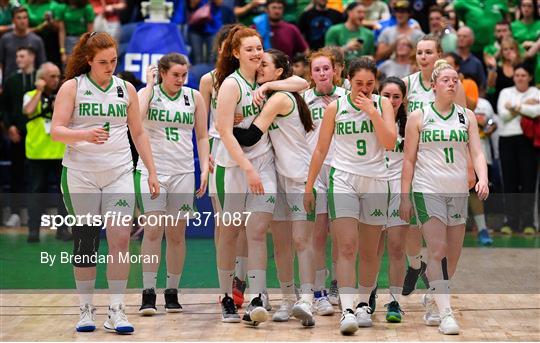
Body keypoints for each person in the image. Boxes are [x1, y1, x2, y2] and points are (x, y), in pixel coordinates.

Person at [50, 31, 159, 334]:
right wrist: (83, 134)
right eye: (103, 62)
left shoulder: (126, 89)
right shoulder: (72, 87)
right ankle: (86, 308)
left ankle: (116, 309)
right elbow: (56, 131)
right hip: (81, 174)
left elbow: (138, 133)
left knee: (120, 240)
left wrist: (150, 170)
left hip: (119, 173)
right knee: (86, 241)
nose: (110, 66)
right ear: (88, 60)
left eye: (113, 60)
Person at [213, 25, 306, 324]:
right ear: (236, 52)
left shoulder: (265, 80)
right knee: (229, 234)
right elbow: (225, 133)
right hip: (233, 167)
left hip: (264, 165)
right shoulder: (230, 84)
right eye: (250, 49)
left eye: (259, 48)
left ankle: (256, 298)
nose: (256, 53)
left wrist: (267, 87)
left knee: (255, 233)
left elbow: (301, 82)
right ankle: (227, 296)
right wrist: (248, 168)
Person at [304, 57, 396, 335]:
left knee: (369, 251)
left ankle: (364, 304)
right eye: (359, 84)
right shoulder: (335, 107)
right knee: (346, 247)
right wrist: (308, 187)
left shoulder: (383, 104)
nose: (365, 89)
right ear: (349, 81)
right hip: (343, 179)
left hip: (376, 182)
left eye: (370, 84)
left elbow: (390, 142)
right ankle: (346, 309)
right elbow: (320, 150)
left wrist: (373, 113)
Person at [400, 59, 489, 335]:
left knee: (453, 254)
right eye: (446, 80)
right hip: (427, 189)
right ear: (434, 85)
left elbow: (476, 152)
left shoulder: (466, 116)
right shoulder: (418, 116)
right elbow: (409, 160)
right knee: (437, 250)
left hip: (457, 191)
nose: (452, 83)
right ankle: (446, 312)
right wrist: (404, 195)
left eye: (455, 79)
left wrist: (483, 177)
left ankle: (433, 297)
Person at [232, 48, 319, 327]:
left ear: (279, 72)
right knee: (281, 245)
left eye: (265, 65)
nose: (259, 67)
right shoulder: (271, 93)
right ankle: (288, 299)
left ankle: (306, 299)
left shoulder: (280, 98)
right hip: (279, 178)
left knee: (300, 242)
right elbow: (300, 82)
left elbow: (249, 136)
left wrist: (221, 125)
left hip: (301, 179)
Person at [137, 53, 209, 315]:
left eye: (184, 75)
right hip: (152, 171)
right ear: (162, 73)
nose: (180, 79)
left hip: (183, 172)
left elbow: (202, 136)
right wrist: (148, 86)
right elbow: (136, 119)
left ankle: (172, 291)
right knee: (153, 232)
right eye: (175, 75)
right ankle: (147, 292)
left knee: (177, 234)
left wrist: (204, 169)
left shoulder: (194, 97)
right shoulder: (148, 94)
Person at [401, 34, 468, 299]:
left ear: (438, 54)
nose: (423, 57)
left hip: (441, 161)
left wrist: (471, 167)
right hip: (409, 158)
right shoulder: (407, 84)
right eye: (419, 52)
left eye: (428, 52)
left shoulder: (451, 84)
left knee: (437, 233)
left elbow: (463, 127)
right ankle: (415, 264)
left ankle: (435, 285)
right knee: (407, 223)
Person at [199, 23, 250, 309]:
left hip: (251, 148)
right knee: (225, 223)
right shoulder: (210, 80)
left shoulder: (253, 77)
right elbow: (203, 127)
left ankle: (242, 279)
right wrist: (206, 157)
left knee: (246, 224)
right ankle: (229, 282)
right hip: (221, 150)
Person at [300, 49, 347, 314]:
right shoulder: (303, 100)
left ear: (335, 70)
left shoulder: (346, 98)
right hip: (314, 173)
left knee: (341, 236)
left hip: (342, 170)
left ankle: (338, 283)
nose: (322, 73)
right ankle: (318, 292)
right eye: (317, 69)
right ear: (311, 74)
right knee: (317, 235)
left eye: (326, 68)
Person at [22, 62, 72, 242]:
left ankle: (63, 229)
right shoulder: (30, 95)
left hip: (60, 152)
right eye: (52, 76)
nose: (56, 80)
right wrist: (38, 91)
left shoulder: (63, 97)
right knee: (36, 193)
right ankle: (33, 230)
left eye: (58, 76)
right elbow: (27, 111)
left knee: (64, 195)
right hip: (37, 153)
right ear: (41, 78)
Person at [496, 64, 539, 235]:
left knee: (528, 182)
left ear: (529, 77)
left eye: (523, 75)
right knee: (510, 182)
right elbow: (503, 114)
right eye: (517, 75)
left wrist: (514, 106)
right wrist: (524, 106)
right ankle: (510, 222)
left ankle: (528, 222)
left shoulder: (536, 93)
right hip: (507, 139)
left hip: (528, 141)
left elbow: (537, 112)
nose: (520, 78)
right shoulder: (505, 92)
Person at [379, 76, 408, 323]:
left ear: (403, 99)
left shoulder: (411, 123)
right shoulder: (369, 118)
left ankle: (395, 300)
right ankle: (366, 296)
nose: (391, 100)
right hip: (374, 185)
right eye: (386, 95)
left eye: (396, 96)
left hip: (399, 187)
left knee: (397, 247)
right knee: (372, 248)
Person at [1, 46, 37, 228]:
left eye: (21, 56)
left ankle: (38, 212)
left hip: (38, 136)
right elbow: (4, 107)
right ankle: (15, 212)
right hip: (18, 134)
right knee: (17, 173)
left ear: (32, 57)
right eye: (16, 56)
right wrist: (10, 127)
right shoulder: (11, 80)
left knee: (36, 175)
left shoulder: (41, 80)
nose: (18, 59)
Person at [0, 7, 46, 84]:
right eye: (19, 18)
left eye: (25, 18)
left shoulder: (37, 40)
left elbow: (42, 64)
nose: (22, 21)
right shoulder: (5, 39)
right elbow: (0, 62)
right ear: (13, 21)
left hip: (31, 83)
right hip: (9, 83)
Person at [456, 26, 486, 90]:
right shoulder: (449, 59)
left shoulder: (476, 63)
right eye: (459, 36)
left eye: (464, 36)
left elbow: (482, 86)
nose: (461, 38)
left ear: (472, 40)